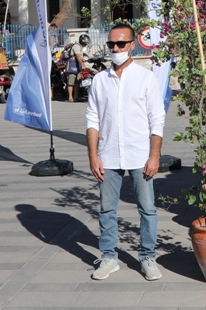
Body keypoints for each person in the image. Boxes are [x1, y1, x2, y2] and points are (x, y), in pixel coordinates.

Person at [86, 23, 166, 282]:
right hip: (108, 155)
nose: (116, 48)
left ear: (132, 45)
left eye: (121, 44)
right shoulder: (100, 80)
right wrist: (93, 156)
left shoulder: (146, 78)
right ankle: (109, 257)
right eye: (111, 44)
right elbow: (93, 120)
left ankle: (148, 257)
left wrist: (154, 156)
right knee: (106, 209)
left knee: (147, 209)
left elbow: (157, 119)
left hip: (140, 155)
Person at [64, 34, 89, 102]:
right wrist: (82, 64)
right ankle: (70, 97)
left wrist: (83, 60)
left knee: (77, 82)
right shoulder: (76, 46)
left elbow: (80, 57)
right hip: (72, 66)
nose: (86, 44)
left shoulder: (80, 47)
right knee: (71, 83)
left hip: (77, 66)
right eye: (85, 42)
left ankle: (76, 97)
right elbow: (77, 56)